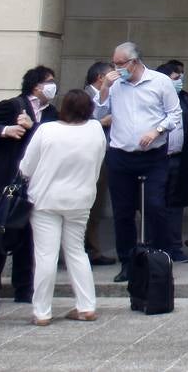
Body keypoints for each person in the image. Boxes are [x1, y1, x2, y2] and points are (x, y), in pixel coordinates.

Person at [0, 65, 59, 311]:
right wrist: (6, 130)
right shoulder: (12, 106)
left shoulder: (51, 113)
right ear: (36, 85)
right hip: (8, 181)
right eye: (49, 81)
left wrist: (32, 128)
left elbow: (52, 140)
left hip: (36, 182)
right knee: (0, 234)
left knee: (28, 236)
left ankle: (23, 287)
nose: (52, 86)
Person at [93, 42, 182, 283]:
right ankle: (127, 262)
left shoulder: (159, 82)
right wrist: (104, 88)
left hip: (153, 155)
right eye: (115, 63)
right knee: (123, 212)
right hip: (121, 154)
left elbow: (174, 113)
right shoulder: (114, 86)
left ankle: (161, 258)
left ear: (134, 61)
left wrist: (157, 130)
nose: (117, 68)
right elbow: (98, 114)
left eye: (120, 63)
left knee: (155, 207)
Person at [17, 88, 107, 326]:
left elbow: (26, 167)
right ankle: (86, 306)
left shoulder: (46, 130)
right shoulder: (96, 130)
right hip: (81, 199)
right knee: (77, 252)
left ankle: (42, 311)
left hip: (46, 199)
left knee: (46, 255)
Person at [158, 61, 188, 263]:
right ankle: (158, 244)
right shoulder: (154, 98)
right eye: (176, 78)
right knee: (157, 202)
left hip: (180, 157)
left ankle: (175, 246)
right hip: (158, 158)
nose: (181, 81)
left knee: (176, 204)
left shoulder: (184, 98)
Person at [83, 61, 117, 264]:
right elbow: (72, 122)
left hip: (106, 155)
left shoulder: (113, 95)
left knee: (96, 206)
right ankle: (86, 249)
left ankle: (93, 249)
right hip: (87, 157)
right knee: (86, 206)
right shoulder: (83, 97)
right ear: (100, 78)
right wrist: (99, 123)